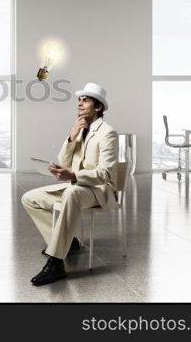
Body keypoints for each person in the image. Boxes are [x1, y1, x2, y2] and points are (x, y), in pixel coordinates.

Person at [21, 82, 119, 285]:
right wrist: (71, 137)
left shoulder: (107, 133)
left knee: (72, 193)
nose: (80, 104)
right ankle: (70, 243)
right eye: (79, 100)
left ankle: (56, 261)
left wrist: (73, 175)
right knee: (29, 198)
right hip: (74, 186)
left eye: (86, 100)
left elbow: (106, 174)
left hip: (98, 190)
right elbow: (63, 162)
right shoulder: (79, 129)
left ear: (98, 107)